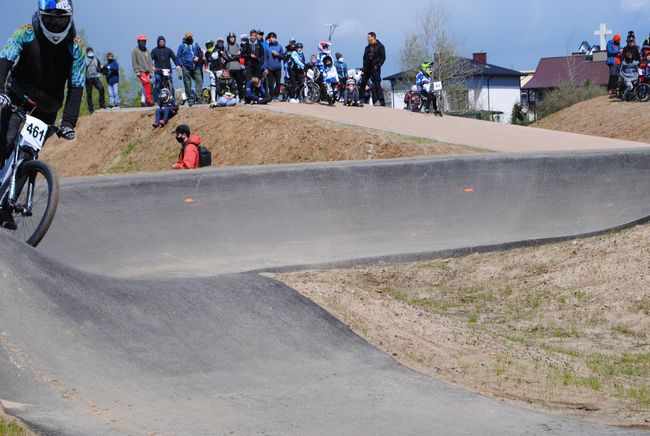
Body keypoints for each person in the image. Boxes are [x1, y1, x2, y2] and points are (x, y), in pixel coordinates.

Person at [0, 0, 83, 229]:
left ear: (70, 18)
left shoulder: (76, 46)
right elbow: (4, 62)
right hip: (18, 96)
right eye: (50, 19)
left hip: (48, 107)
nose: (56, 24)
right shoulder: (25, 33)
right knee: (6, 141)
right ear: (40, 15)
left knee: (27, 156)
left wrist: (68, 122)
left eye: (61, 19)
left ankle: (5, 206)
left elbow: (76, 86)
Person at [358, 32, 386, 106]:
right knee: (363, 83)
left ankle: (381, 100)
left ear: (373, 37)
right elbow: (364, 59)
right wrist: (363, 70)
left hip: (375, 68)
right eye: (367, 37)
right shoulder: (367, 48)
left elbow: (383, 57)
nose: (367, 38)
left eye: (369, 37)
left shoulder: (380, 46)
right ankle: (360, 98)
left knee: (377, 84)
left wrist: (378, 65)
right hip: (367, 68)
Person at [177, 31, 204, 106]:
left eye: (190, 37)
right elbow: (178, 56)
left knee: (199, 81)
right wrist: (182, 65)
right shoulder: (182, 46)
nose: (189, 38)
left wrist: (198, 57)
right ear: (185, 38)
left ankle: (199, 98)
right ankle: (190, 99)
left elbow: (200, 53)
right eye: (188, 37)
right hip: (186, 67)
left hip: (196, 66)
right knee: (187, 83)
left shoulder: (195, 44)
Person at [151, 35, 180, 102]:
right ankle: (156, 100)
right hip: (158, 71)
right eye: (160, 42)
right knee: (158, 85)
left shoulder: (168, 50)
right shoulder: (154, 50)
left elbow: (174, 58)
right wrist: (152, 66)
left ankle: (172, 99)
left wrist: (177, 65)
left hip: (168, 70)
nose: (161, 43)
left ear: (165, 42)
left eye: (163, 41)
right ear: (158, 42)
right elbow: (150, 60)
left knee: (171, 84)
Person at [132, 34, 154, 106]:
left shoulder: (147, 51)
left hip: (147, 71)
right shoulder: (135, 51)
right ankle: (149, 100)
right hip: (141, 71)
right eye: (141, 41)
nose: (143, 43)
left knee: (145, 86)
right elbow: (134, 62)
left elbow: (150, 62)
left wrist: (151, 72)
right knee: (147, 84)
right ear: (138, 42)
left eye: (144, 41)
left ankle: (143, 101)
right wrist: (137, 71)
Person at [264, 32, 285, 101]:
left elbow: (283, 56)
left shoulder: (279, 46)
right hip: (269, 68)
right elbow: (265, 58)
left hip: (278, 68)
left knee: (278, 83)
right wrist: (265, 68)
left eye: (273, 37)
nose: (271, 39)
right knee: (270, 84)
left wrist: (278, 54)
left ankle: (276, 96)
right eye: (270, 37)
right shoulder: (266, 47)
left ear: (275, 38)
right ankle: (272, 96)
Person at [84, 46, 106, 112]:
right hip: (88, 78)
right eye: (89, 52)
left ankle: (102, 104)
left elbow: (100, 67)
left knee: (101, 88)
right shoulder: (84, 59)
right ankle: (91, 109)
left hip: (96, 77)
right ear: (87, 53)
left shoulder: (96, 59)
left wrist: (104, 70)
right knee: (89, 94)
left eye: (91, 51)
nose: (91, 53)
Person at [225, 32, 244, 99]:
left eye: (233, 37)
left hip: (238, 67)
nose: (232, 39)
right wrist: (236, 56)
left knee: (240, 83)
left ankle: (241, 97)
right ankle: (231, 97)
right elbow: (227, 56)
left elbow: (240, 54)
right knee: (230, 83)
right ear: (228, 38)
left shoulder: (238, 45)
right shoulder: (226, 46)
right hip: (230, 67)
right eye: (230, 37)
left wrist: (235, 56)